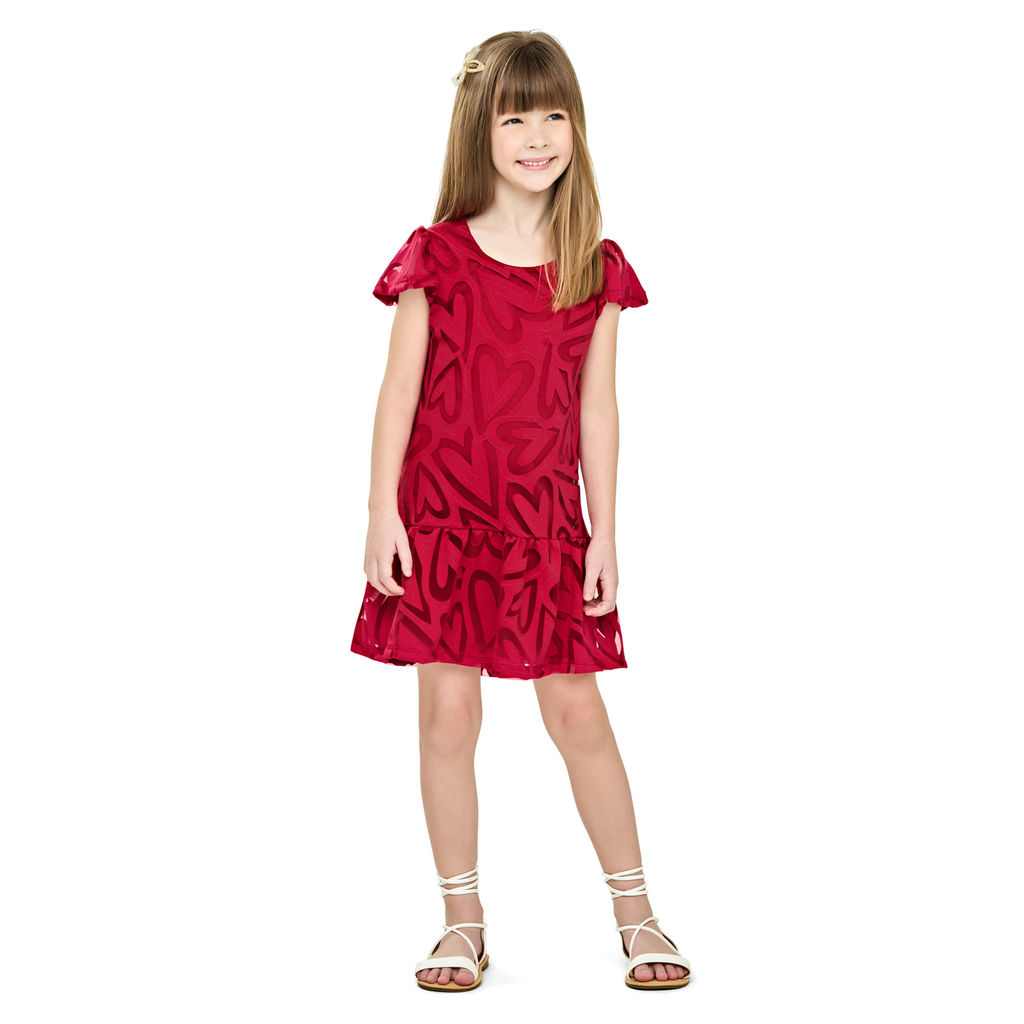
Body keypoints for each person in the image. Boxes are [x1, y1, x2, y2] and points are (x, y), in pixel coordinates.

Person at [349, 30, 691, 992]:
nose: (537, 137)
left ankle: (637, 912)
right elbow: (398, 392)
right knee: (448, 715)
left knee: (577, 710)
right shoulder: (437, 256)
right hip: (443, 516)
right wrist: (381, 514)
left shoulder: (593, 266)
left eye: (553, 115)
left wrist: (605, 532)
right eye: (514, 118)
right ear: (479, 131)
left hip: (543, 522)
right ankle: (462, 923)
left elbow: (597, 408)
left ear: (575, 127)